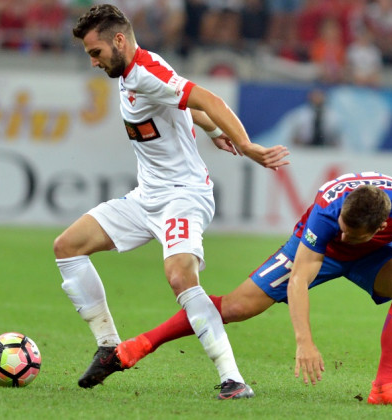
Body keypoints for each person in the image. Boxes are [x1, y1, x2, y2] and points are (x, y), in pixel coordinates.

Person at [106, 171, 392, 407]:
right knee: (233, 307)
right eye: (347, 228)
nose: (348, 233)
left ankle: (384, 387)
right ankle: (138, 345)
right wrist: (304, 340)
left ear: (381, 224)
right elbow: (300, 277)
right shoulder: (327, 218)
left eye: (358, 231)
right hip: (311, 253)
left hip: (371, 262)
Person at [54, 3, 289, 399]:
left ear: (118, 40)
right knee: (67, 248)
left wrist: (247, 146)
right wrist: (213, 131)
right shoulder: (131, 71)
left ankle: (233, 379)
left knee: (181, 276)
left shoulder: (144, 72)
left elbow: (208, 99)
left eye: (95, 52)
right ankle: (109, 345)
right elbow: (181, 102)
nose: (93, 62)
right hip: (147, 197)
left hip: (184, 195)